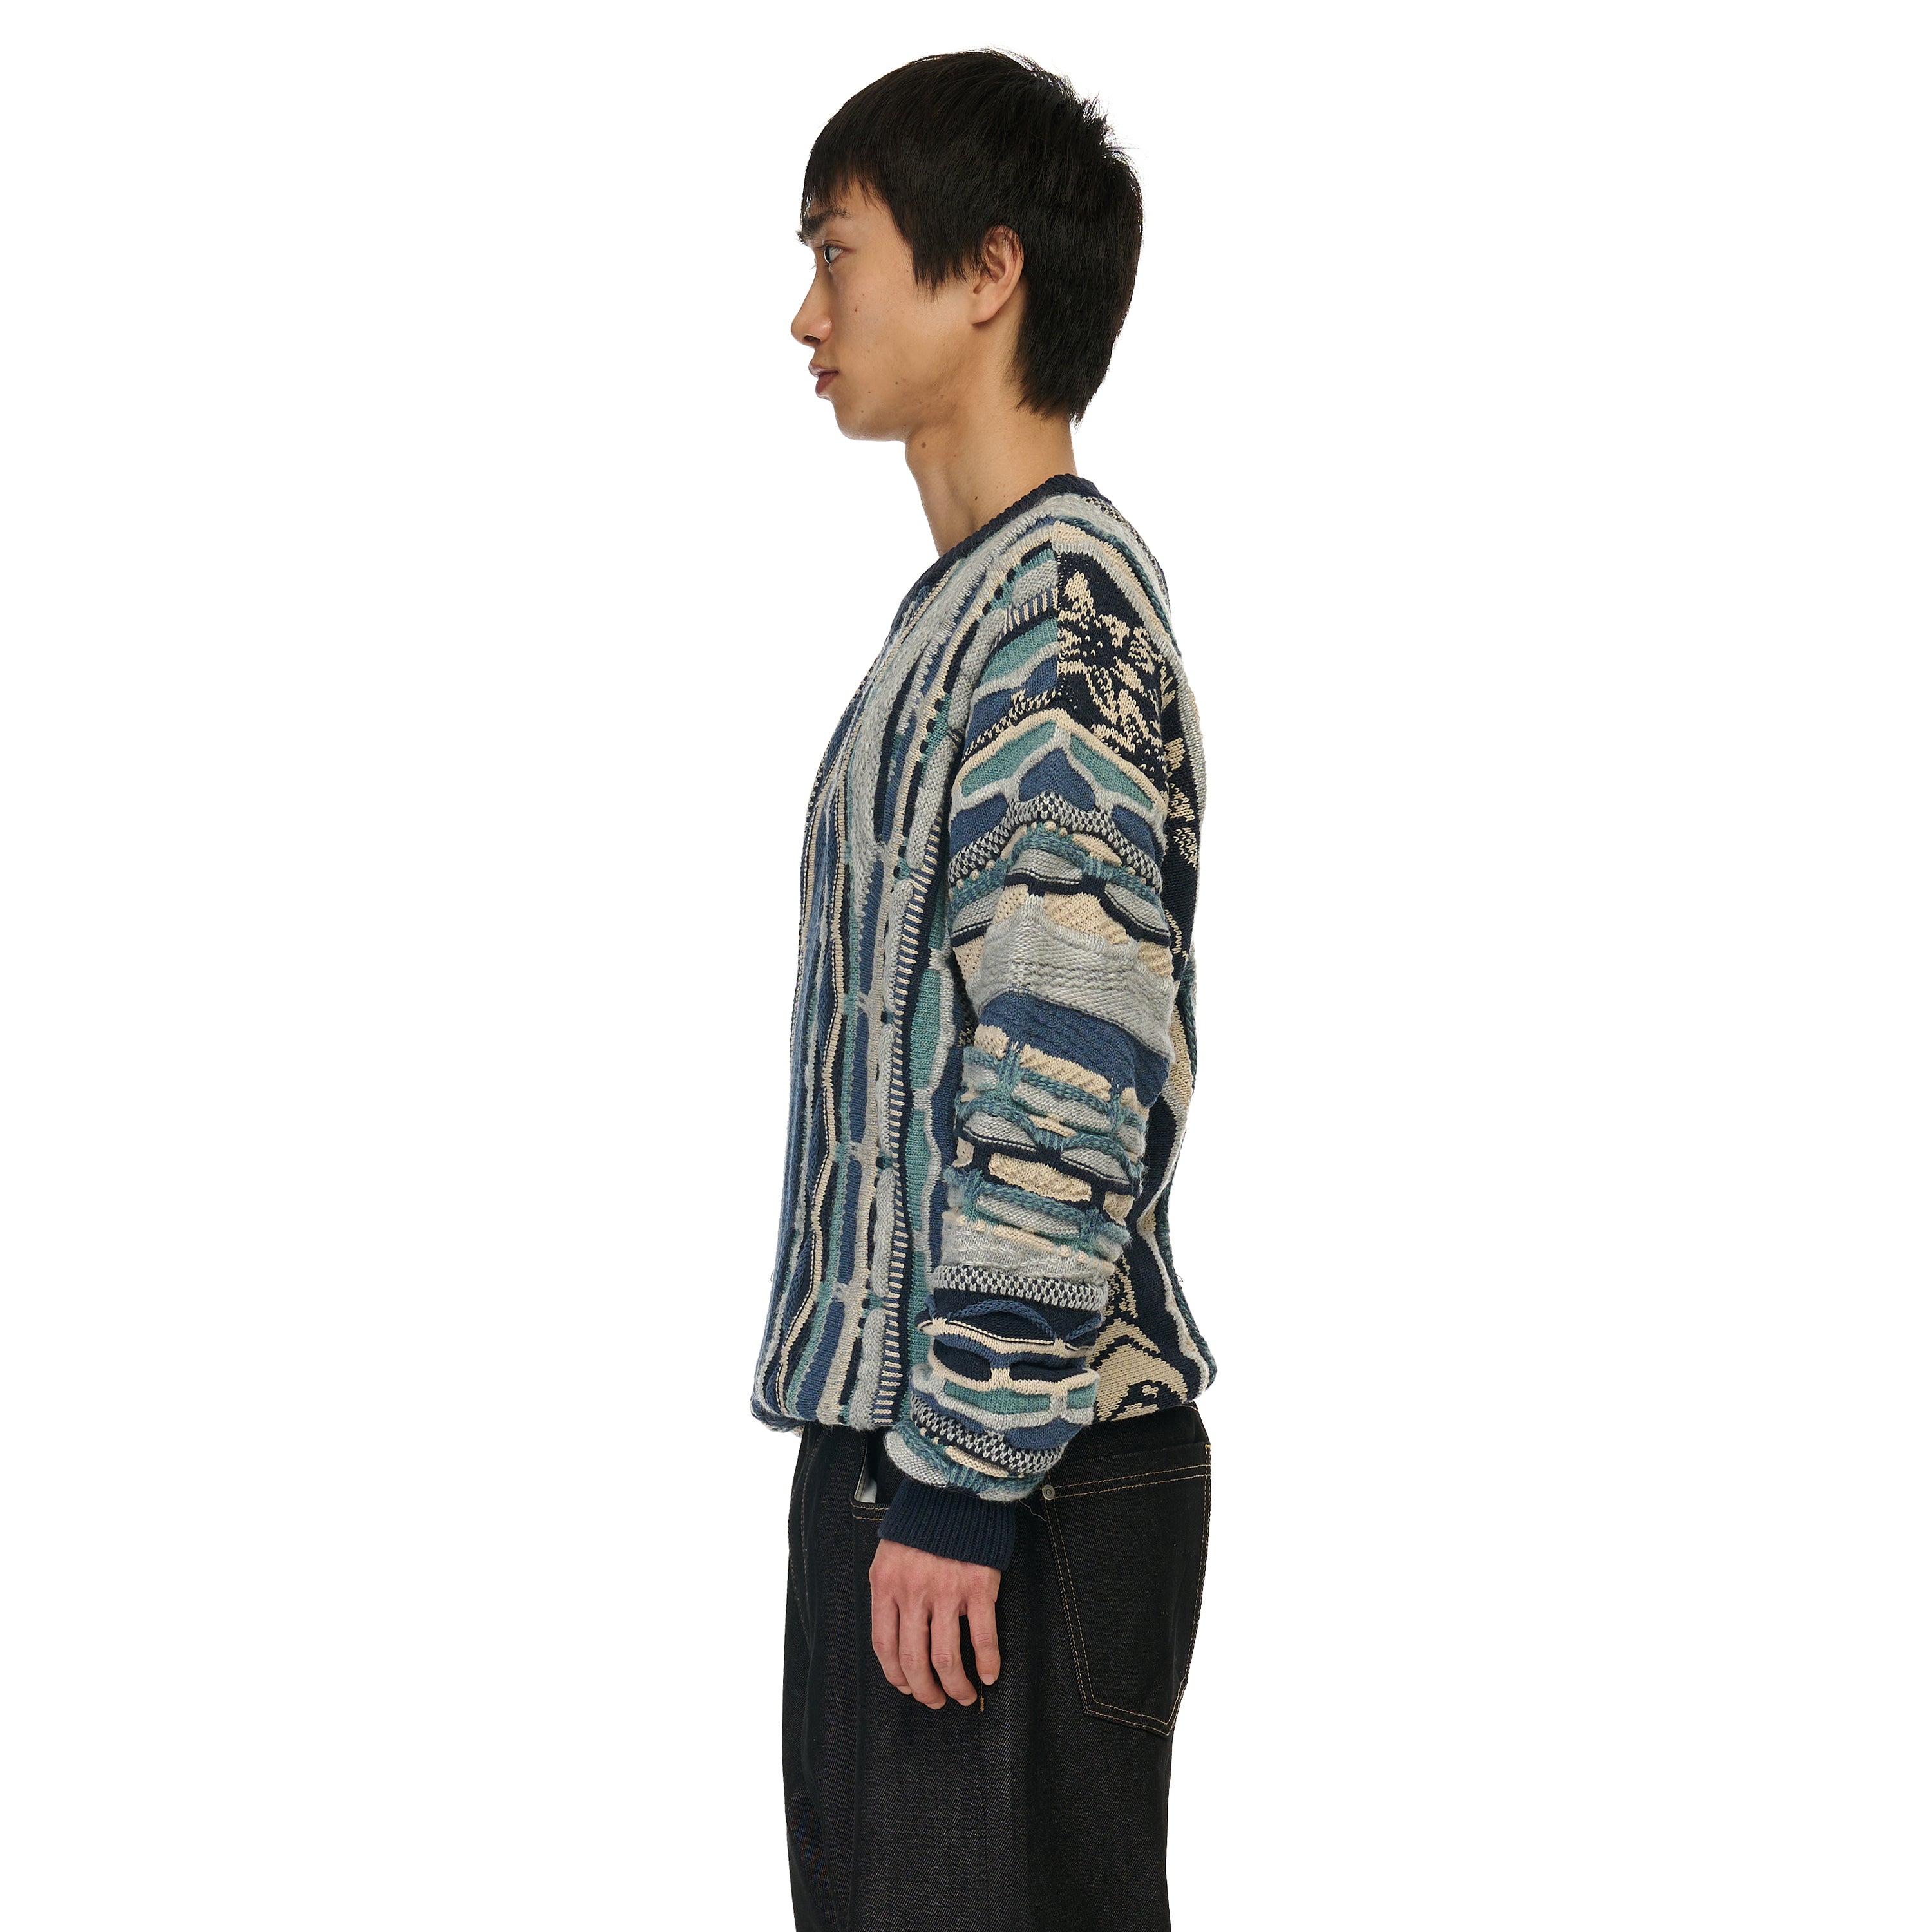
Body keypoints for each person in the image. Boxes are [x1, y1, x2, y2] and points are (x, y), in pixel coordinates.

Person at [748, 50, 1217, 1932]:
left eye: (835, 253)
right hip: (935, 1467)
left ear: (987, 272)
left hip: (1002, 1483)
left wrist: (954, 1480)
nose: (806, 315)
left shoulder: (1059, 621)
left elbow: (1061, 1062)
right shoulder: (970, 613)